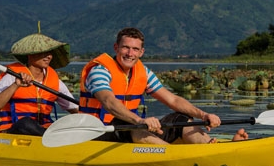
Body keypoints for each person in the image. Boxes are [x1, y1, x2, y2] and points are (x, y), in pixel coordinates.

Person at [79, 27, 248, 144]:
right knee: (134, 125)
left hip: (132, 129)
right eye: (125, 48)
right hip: (101, 133)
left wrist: (203, 115)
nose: (130, 54)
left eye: (135, 49)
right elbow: (109, 102)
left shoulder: (143, 72)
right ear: (116, 48)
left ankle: (210, 147)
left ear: (141, 52)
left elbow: (173, 100)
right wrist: (139, 120)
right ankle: (172, 156)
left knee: (180, 118)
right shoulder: (100, 71)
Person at [0, 32, 79, 136]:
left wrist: (93, 119)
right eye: (44, 52)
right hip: (16, 129)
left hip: (44, 130)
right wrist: (16, 85)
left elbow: (75, 109)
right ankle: (52, 138)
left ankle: (54, 138)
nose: (49, 57)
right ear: (30, 55)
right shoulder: (12, 77)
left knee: (69, 123)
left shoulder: (55, 81)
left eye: (50, 53)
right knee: (25, 123)